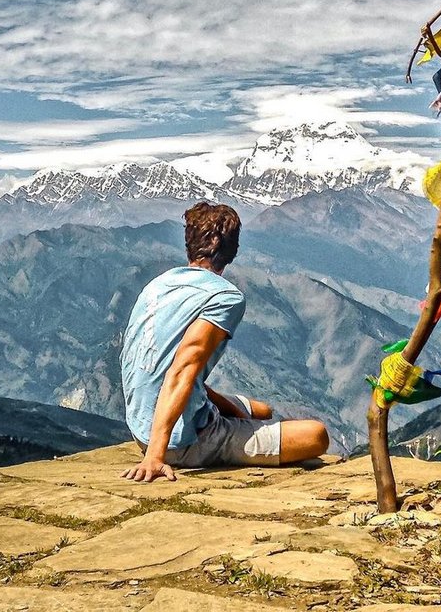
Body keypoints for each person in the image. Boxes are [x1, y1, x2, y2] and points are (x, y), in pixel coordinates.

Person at [119, 201, 329, 482]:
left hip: (140, 423)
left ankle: (216, 415)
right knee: (316, 435)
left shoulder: (157, 286)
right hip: (181, 441)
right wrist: (155, 457)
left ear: (189, 245)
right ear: (233, 251)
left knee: (261, 411)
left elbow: (157, 364)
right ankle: (196, 436)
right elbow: (183, 368)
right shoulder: (224, 298)